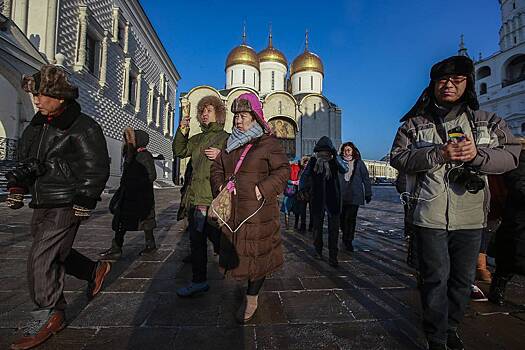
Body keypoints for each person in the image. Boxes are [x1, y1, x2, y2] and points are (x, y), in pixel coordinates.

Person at [390, 55, 521, 350]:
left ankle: (451, 326)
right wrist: (439, 153)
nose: (448, 85)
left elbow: (511, 156)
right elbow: (398, 158)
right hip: (430, 214)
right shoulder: (414, 124)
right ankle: (436, 335)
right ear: (433, 85)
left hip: (471, 216)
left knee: (462, 279)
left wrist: (477, 156)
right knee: (435, 277)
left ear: (467, 84)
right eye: (442, 80)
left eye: (456, 80)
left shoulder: (486, 121)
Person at [5, 65, 111, 350]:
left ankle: (49, 313)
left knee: (41, 257)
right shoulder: (37, 125)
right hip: (42, 200)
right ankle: (93, 270)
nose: (36, 100)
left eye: (41, 94)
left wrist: (86, 198)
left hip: (67, 200)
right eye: (34, 95)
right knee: (55, 252)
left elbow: (96, 165)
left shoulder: (82, 126)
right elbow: (26, 161)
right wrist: (18, 186)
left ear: (59, 96)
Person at [210, 92, 289, 323]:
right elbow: (217, 168)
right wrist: (221, 186)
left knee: (256, 254)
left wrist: (262, 189)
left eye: (243, 115)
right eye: (236, 116)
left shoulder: (268, 142)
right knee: (238, 252)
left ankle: (252, 297)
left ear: (255, 117)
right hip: (233, 211)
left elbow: (283, 170)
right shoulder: (229, 142)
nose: (238, 121)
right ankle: (245, 287)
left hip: (258, 212)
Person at [173, 95, 229, 297]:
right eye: (202, 111)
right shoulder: (197, 139)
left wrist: (222, 155)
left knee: (219, 241)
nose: (205, 114)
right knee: (197, 243)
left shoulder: (226, 138)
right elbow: (180, 150)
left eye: (209, 111)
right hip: (196, 200)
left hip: (213, 200)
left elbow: (238, 162)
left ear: (219, 113)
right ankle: (199, 281)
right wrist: (182, 130)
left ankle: (240, 272)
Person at [100, 128, 157, 260]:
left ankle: (151, 245)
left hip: (141, 196)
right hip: (127, 194)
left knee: (146, 222)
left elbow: (151, 175)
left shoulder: (144, 155)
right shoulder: (131, 154)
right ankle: (116, 248)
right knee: (121, 221)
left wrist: (135, 184)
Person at [488, 137, 525, 305]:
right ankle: (498, 287)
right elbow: (517, 184)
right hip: (518, 218)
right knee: (511, 258)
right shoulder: (518, 160)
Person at [302, 136, 348, 267]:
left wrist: (335, 155)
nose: (324, 153)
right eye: (321, 151)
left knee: (334, 230)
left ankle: (333, 255)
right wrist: (302, 189)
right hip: (317, 198)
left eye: (326, 151)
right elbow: (305, 176)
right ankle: (318, 250)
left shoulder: (335, 162)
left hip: (333, 198)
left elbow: (345, 169)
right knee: (317, 227)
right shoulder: (313, 161)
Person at [339, 142, 372, 252]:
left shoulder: (359, 163)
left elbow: (366, 179)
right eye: (344, 150)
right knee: (342, 218)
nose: (346, 152)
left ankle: (349, 240)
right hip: (341, 195)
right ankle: (345, 233)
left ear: (353, 151)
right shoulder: (338, 162)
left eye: (348, 149)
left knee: (351, 218)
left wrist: (368, 193)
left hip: (355, 195)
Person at [280, 158, 300, 229]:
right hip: (290, 192)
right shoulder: (291, 169)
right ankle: (290, 226)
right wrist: (293, 182)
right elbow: (285, 179)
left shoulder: (297, 169)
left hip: (291, 192)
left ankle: (289, 226)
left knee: (292, 210)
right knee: (289, 210)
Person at [293, 156, 311, 232]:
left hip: (309, 192)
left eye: (308, 163)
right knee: (302, 211)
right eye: (305, 163)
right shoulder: (301, 170)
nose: (306, 164)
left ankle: (311, 226)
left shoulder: (312, 171)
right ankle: (303, 226)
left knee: (311, 211)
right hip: (301, 193)